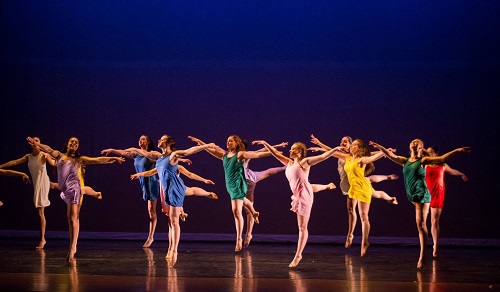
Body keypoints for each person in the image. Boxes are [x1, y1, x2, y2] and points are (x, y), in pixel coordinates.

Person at [369, 139, 470, 269]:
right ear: (410, 146)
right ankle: (427, 249)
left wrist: (458, 150)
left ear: (421, 148)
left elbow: (442, 158)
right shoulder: (404, 160)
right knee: (421, 223)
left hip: (422, 193)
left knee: (421, 224)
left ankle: (423, 255)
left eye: (417, 142)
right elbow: (391, 156)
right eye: (412, 141)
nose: (414, 142)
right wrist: (380, 147)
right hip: (412, 195)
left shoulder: (423, 161)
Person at [27, 136, 125, 261]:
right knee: (71, 219)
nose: (73, 143)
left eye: (76, 142)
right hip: (65, 191)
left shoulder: (79, 159)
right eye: (71, 141)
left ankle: (72, 247)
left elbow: (97, 160)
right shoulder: (59, 156)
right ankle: (74, 244)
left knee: (73, 218)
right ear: (67, 144)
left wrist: (113, 158)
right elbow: (49, 149)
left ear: (77, 146)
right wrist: (37, 144)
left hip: (74, 189)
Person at [129, 134, 216, 266]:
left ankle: (174, 250)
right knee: (188, 193)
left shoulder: (173, 155)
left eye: (162, 139)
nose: (158, 140)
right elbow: (152, 172)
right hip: (168, 189)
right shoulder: (158, 159)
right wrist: (139, 174)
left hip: (174, 188)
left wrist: (206, 145)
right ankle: (207, 193)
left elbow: (189, 151)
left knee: (174, 221)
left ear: (168, 143)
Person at [251, 139, 339, 267]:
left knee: (302, 227)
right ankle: (327, 186)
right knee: (306, 186)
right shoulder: (289, 163)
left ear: (299, 152)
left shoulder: (305, 163)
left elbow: (323, 156)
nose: (290, 150)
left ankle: (298, 255)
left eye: (292, 149)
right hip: (299, 192)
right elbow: (275, 153)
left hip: (304, 197)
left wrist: (335, 149)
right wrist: (265, 143)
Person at [309, 134, 397, 249]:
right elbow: (331, 151)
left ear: (353, 146)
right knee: (351, 209)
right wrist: (319, 145)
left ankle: (390, 196)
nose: (343, 143)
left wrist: (385, 151)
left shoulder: (360, 157)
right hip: (350, 185)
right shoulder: (346, 156)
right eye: (342, 141)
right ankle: (350, 234)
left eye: (346, 142)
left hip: (360, 184)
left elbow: (372, 155)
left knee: (374, 193)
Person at [188, 135, 272, 252]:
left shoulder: (240, 154)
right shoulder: (224, 155)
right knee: (241, 202)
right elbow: (210, 150)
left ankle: (238, 239)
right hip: (230, 185)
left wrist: (273, 152)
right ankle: (253, 212)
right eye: (227, 141)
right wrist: (200, 142)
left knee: (236, 211)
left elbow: (257, 154)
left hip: (238, 184)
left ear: (236, 143)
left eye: (231, 141)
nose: (228, 142)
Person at [101, 135, 162, 248]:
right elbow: (124, 152)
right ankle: (151, 236)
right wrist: (113, 150)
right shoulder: (136, 154)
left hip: (151, 183)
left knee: (152, 211)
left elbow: (163, 157)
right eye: (139, 139)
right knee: (150, 211)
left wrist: (134, 148)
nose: (140, 140)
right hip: (143, 184)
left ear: (148, 142)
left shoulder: (152, 153)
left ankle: (151, 237)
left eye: (143, 139)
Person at [0, 137, 56, 249]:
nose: (35, 142)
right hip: (36, 184)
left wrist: (49, 157)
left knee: (40, 212)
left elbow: (54, 163)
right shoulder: (28, 157)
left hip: (43, 183)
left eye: (37, 141)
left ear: (40, 144)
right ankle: (42, 238)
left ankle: (42, 239)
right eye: (33, 141)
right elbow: (14, 162)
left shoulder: (43, 155)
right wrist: (1, 166)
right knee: (39, 212)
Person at [425, 146, 468, 258]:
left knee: (434, 220)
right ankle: (425, 245)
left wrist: (461, 174)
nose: (427, 154)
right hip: (426, 194)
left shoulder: (442, 165)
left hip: (438, 194)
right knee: (423, 220)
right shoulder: (424, 165)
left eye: (430, 152)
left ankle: (435, 245)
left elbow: (452, 171)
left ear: (435, 154)